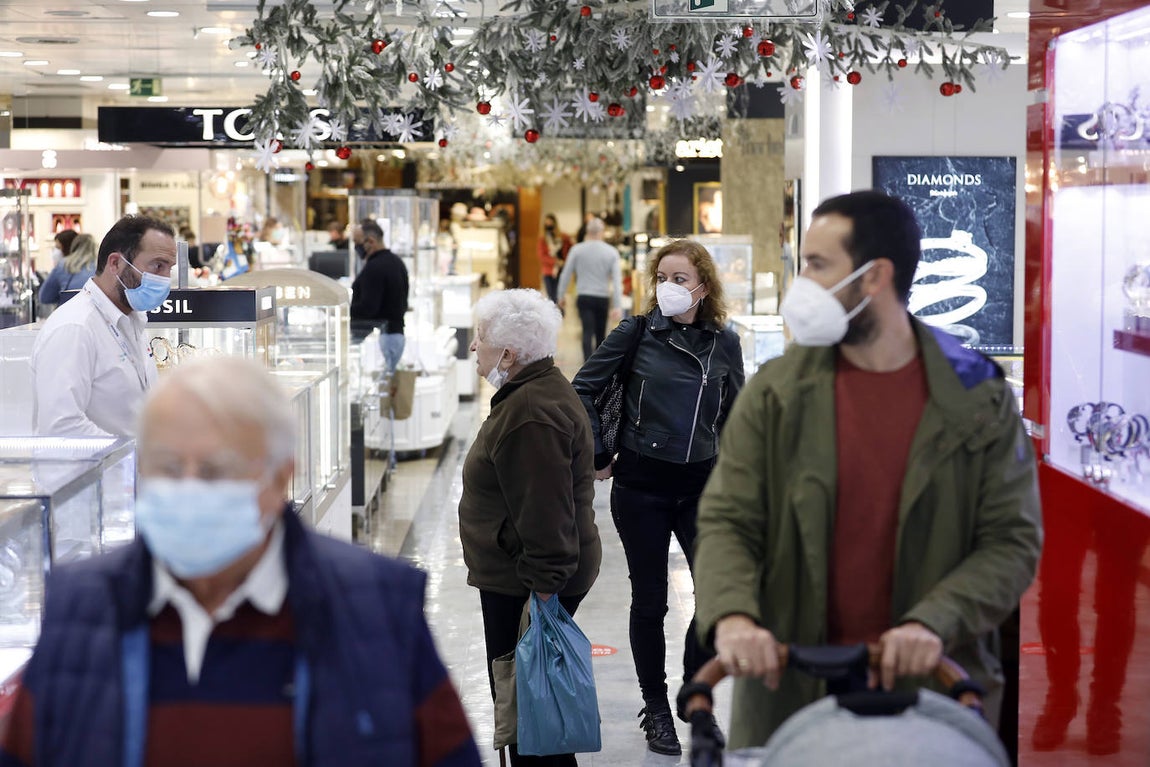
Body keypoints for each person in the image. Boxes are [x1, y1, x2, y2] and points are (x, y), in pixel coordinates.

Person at [0, 356, 482, 767]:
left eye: (217, 470)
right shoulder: (81, 611)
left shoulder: (377, 610)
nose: (187, 489)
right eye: (166, 467)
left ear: (281, 478)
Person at [693, 190, 1043, 750]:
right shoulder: (776, 394)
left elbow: (1012, 539)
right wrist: (733, 616)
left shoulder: (977, 398)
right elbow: (727, 520)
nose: (800, 282)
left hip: (933, 692)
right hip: (793, 688)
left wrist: (935, 621)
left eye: (816, 265)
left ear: (875, 276)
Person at [570, 239, 745, 756]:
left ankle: (696, 694)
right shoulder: (637, 332)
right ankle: (657, 708)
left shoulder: (724, 344)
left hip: (701, 488)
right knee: (651, 601)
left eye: (680, 278)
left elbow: (738, 416)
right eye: (661, 277)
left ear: (703, 287)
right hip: (641, 487)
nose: (669, 287)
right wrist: (601, 451)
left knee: (713, 598)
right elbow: (581, 386)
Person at [458, 289, 601, 767]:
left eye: (481, 339)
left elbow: (545, 512)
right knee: (535, 710)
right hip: (523, 578)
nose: (474, 347)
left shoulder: (530, 414)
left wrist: (541, 597)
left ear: (510, 354)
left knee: (533, 720)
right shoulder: (529, 394)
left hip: (527, 585)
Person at [32, 215, 177, 437]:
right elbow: (61, 426)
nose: (165, 278)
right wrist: (133, 455)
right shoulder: (75, 328)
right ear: (115, 263)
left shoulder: (132, 321)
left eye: (169, 268)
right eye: (158, 266)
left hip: (131, 470)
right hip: (96, 471)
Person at [557, 218, 625, 361]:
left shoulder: (577, 250)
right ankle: (598, 366)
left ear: (587, 232)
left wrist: (561, 295)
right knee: (601, 334)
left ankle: (587, 365)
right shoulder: (611, 252)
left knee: (587, 331)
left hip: (584, 296)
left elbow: (566, 274)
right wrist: (617, 305)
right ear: (602, 232)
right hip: (602, 297)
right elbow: (617, 281)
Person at [350, 219, 409, 373]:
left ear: (371, 241)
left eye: (357, 242)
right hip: (395, 335)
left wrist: (344, 312)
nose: (356, 247)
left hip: (383, 338)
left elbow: (369, 307)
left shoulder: (375, 268)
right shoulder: (396, 262)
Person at [37, 232, 98, 306]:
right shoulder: (102, 265)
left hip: (70, 312)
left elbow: (44, 297)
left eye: (58, 248)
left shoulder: (64, 265)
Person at [537, 213, 571, 305]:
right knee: (551, 296)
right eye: (546, 224)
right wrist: (555, 262)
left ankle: (560, 312)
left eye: (550, 223)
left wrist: (564, 261)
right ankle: (554, 314)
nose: (549, 226)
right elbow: (542, 256)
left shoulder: (563, 237)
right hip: (548, 271)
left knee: (560, 293)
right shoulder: (543, 239)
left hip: (561, 270)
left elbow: (571, 250)